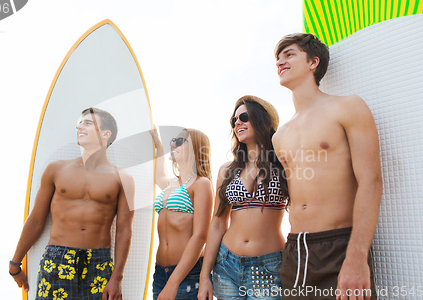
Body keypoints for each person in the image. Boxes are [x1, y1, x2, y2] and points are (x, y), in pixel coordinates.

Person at [272, 33, 382, 299]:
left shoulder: (347, 107)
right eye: (278, 58)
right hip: (295, 249)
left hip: (340, 246)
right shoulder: (279, 135)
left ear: (313, 62)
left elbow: (371, 181)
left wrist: (356, 257)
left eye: (289, 54)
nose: (280, 62)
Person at [9, 107, 135, 300]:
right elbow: (35, 220)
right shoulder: (56, 169)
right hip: (57, 259)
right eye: (80, 122)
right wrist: (15, 263)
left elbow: (124, 230)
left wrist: (117, 278)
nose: (79, 126)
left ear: (105, 134)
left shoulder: (122, 178)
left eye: (87, 123)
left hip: (98, 262)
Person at [198, 95, 289, 300]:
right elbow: (217, 224)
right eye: (234, 120)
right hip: (226, 264)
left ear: (262, 120)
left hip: (269, 266)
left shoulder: (283, 164)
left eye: (244, 116)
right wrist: (205, 276)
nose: (237, 122)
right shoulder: (227, 170)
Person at [149, 127, 214, 300]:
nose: (174, 144)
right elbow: (158, 177)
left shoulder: (201, 184)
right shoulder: (171, 184)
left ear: (195, 148)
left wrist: (173, 283)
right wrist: (159, 148)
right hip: (161, 272)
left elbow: (201, 235)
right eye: (173, 141)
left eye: (179, 141)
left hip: (186, 275)